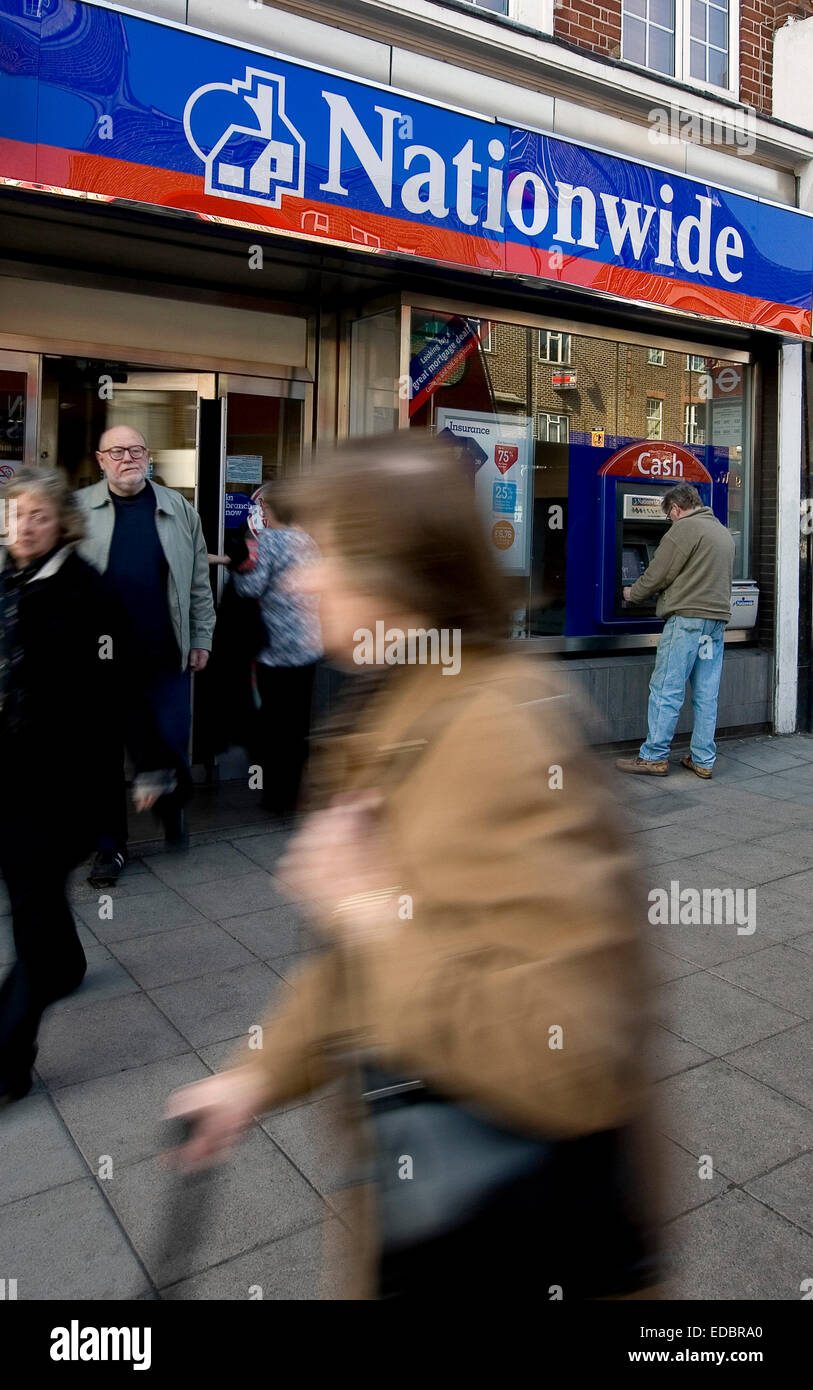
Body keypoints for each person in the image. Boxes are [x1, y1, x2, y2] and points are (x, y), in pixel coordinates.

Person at [164, 434, 660, 1300]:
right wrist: (257, 1076)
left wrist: (361, 901)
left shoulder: (501, 729)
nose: (298, 578)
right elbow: (358, 964)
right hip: (425, 1228)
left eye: (329, 555)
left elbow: (576, 1053)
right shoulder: (393, 702)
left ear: (403, 574)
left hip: (512, 1250)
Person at [0, 468, 166, 1104]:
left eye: (38, 515)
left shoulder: (87, 593)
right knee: (31, 904)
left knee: (33, 915)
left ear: (63, 522)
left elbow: (123, 685)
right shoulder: (3, 581)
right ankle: (64, 966)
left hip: (61, 786)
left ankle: (7, 1062)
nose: (24, 525)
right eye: (16, 513)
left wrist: (151, 762)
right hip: (5, 780)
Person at [76, 427, 216, 885]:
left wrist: (202, 638)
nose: (127, 458)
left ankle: (171, 806)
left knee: (170, 743)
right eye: (117, 451)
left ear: (148, 456)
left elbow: (198, 583)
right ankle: (109, 848)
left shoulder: (178, 509)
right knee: (100, 758)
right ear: (101, 460)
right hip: (100, 663)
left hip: (163, 655)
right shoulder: (77, 510)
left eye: (136, 450)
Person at [616, 483, 735, 780]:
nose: (670, 521)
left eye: (669, 516)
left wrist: (633, 594)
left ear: (676, 509)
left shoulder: (684, 529)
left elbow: (658, 572)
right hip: (715, 623)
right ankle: (703, 759)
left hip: (687, 622)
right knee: (707, 693)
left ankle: (654, 757)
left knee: (667, 689)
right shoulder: (721, 531)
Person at [218, 482, 322, 817]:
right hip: (307, 645)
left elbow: (250, 588)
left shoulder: (269, 542)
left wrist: (235, 567)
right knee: (297, 725)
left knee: (273, 725)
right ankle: (294, 793)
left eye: (264, 509)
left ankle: (276, 796)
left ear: (273, 510)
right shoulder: (310, 543)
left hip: (274, 649)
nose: (261, 512)